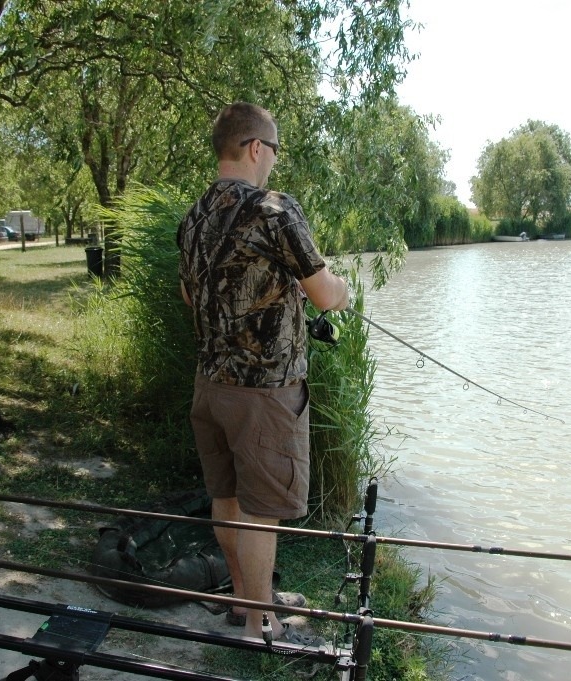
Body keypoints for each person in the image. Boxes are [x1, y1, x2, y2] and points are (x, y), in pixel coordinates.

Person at [176, 102, 349, 643]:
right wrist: (338, 291)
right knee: (259, 513)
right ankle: (258, 624)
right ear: (256, 148)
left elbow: (191, 293)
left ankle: (245, 603)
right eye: (273, 150)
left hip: (210, 387)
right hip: (264, 393)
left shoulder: (195, 216)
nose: (273, 161)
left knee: (226, 500)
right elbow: (325, 293)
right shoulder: (276, 210)